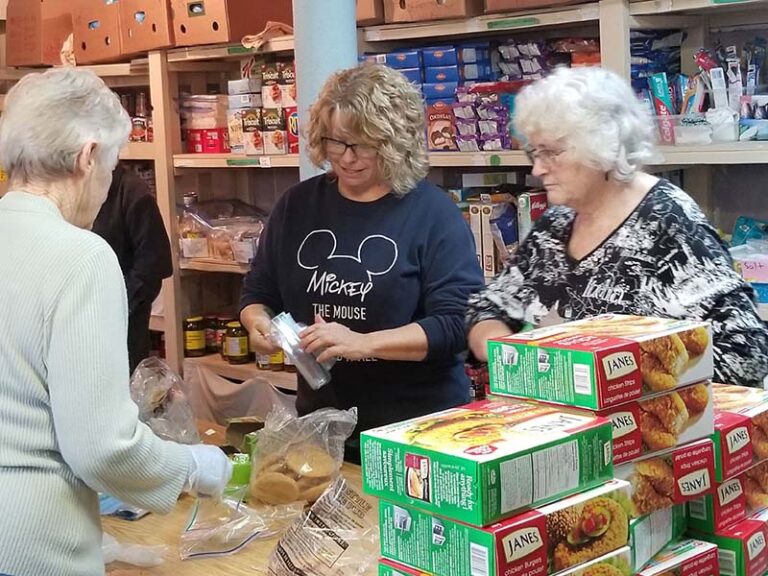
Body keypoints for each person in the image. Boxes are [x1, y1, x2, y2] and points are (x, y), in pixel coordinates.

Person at [0, 68, 232, 576]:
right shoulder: (81, 257)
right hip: (34, 540)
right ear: (86, 157)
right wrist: (194, 466)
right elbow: (101, 448)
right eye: (111, 165)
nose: (109, 184)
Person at [240, 64, 484, 461]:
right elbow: (258, 292)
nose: (348, 158)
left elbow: (457, 324)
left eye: (364, 145)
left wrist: (362, 343)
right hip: (324, 430)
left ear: (395, 141)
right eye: (336, 143)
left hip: (418, 435)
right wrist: (260, 325)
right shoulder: (297, 207)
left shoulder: (432, 213)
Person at [467, 66, 768, 387]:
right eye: (534, 151)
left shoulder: (666, 221)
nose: (537, 168)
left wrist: (614, 375)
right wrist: (508, 351)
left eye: (551, 152)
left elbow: (746, 353)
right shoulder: (556, 225)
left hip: (640, 428)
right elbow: (487, 308)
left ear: (601, 144)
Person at [92, 163, 173, 373]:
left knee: (122, 389)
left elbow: (153, 263)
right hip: (73, 321)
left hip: (123, 323)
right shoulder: (67, 188)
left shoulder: (131, 191)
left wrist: (118, 305)